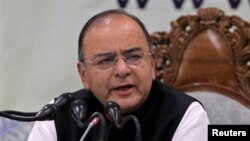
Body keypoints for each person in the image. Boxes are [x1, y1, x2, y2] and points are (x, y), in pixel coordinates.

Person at [28, 9, 209, 141]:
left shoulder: (185, 115)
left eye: (133, 56)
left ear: (152, 63)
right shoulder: (58, 115)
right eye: (105, 60)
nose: (122, 70)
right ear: (84, 74)